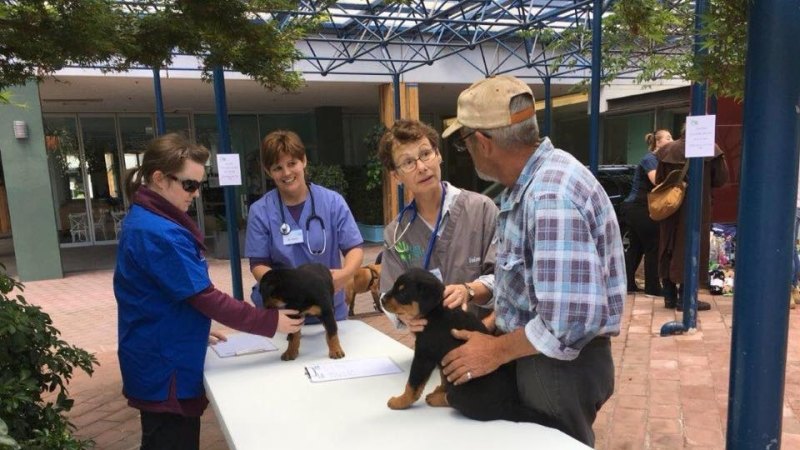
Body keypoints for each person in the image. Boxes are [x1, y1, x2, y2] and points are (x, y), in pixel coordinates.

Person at [437, 75, 625, 447]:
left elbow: (566, 323)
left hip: (557, 370)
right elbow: (528, 275)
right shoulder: (535, 181)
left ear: (483, 142)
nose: (467, 151)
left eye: (464, 142)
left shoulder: (549, 196)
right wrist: (483, 298)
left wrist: (493, 351)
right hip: (545, 362)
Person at [114, 133, 304, 449]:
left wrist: (193, 329)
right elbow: (205, 296)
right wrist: (269, 322)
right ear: (159, 179)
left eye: (200, 185)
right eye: (189, 185)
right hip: (164, 367)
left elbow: (165, 295)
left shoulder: (151, 220)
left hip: (163, 351)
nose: (196, 194)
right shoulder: (156, 233)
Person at [377, 119, 498, 319]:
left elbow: (508, 280)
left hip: (486, 336)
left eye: (425, 154)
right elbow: (387, 295)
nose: (422, 167)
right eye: (408, 162)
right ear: (396, 176)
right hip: (436, 344)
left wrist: (469, 290)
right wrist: (405, 317)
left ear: (438, 155)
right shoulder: (397, 234)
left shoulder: (482, 210)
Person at [245, 130, 364, 320]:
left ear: (304, 161)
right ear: (269, 172)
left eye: (292, 163)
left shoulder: (333, 202)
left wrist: (345, 275)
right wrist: (286, 288)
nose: (287, 173)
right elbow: (258, 264)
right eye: (277, 167)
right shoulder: (260, 211)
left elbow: (354, 248)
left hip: (327, 307)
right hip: (283, 312)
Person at [655, 128, 728, 310]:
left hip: (670, 207)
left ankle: (669, 296)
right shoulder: (712, 150)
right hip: (697, 207)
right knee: (691, 247)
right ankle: (686, 298)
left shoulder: (667, 150)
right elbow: (720, 179)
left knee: (668, 245)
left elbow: (659, 179)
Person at [621, 129, 673, 295]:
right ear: (658, 143)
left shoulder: (659, 159)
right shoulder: (650, 159)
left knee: (637, 246)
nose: (672, 140)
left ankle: (627, 284)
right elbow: (656, 180)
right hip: (639, 207)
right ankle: (653, 287)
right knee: (653, 244)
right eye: (668, 137)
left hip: (637, 208)